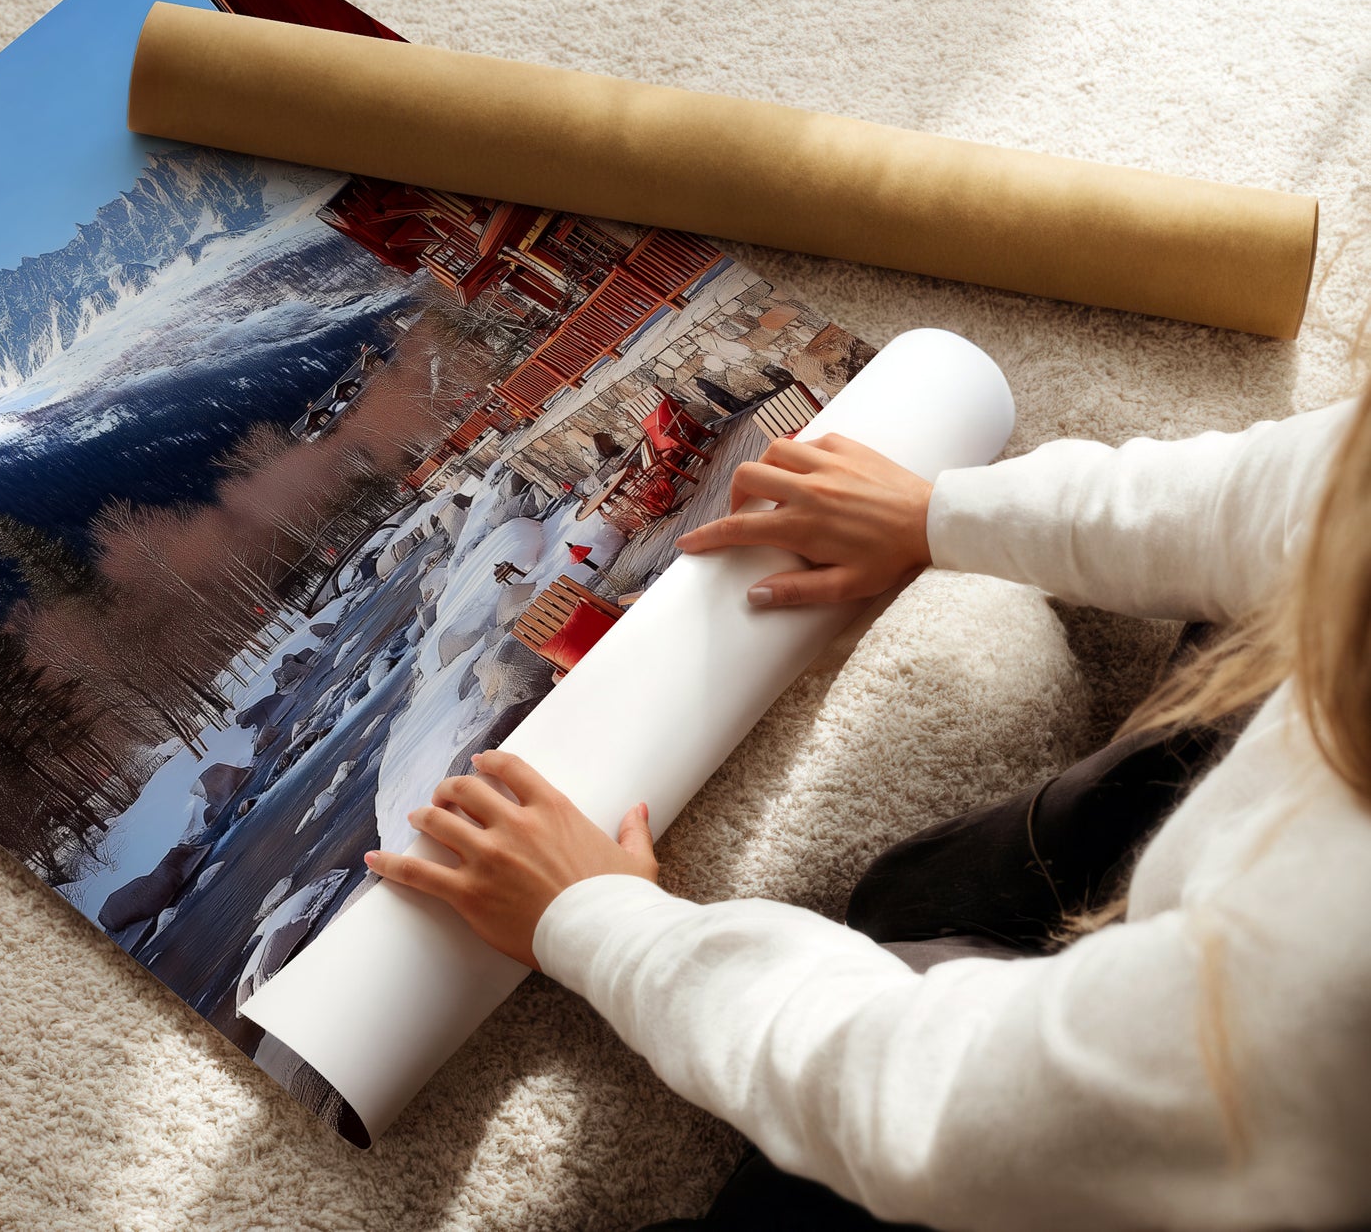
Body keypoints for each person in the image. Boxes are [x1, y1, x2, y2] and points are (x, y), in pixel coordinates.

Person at [365, 396, 1371, 1230]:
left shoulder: (1323, 983)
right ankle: (1009, 899)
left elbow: (941, 1104)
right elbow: (1296, 491)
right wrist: (938, 513)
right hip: (1226, 920)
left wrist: (601, 923)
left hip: (1209, 1123)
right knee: (923, 892)